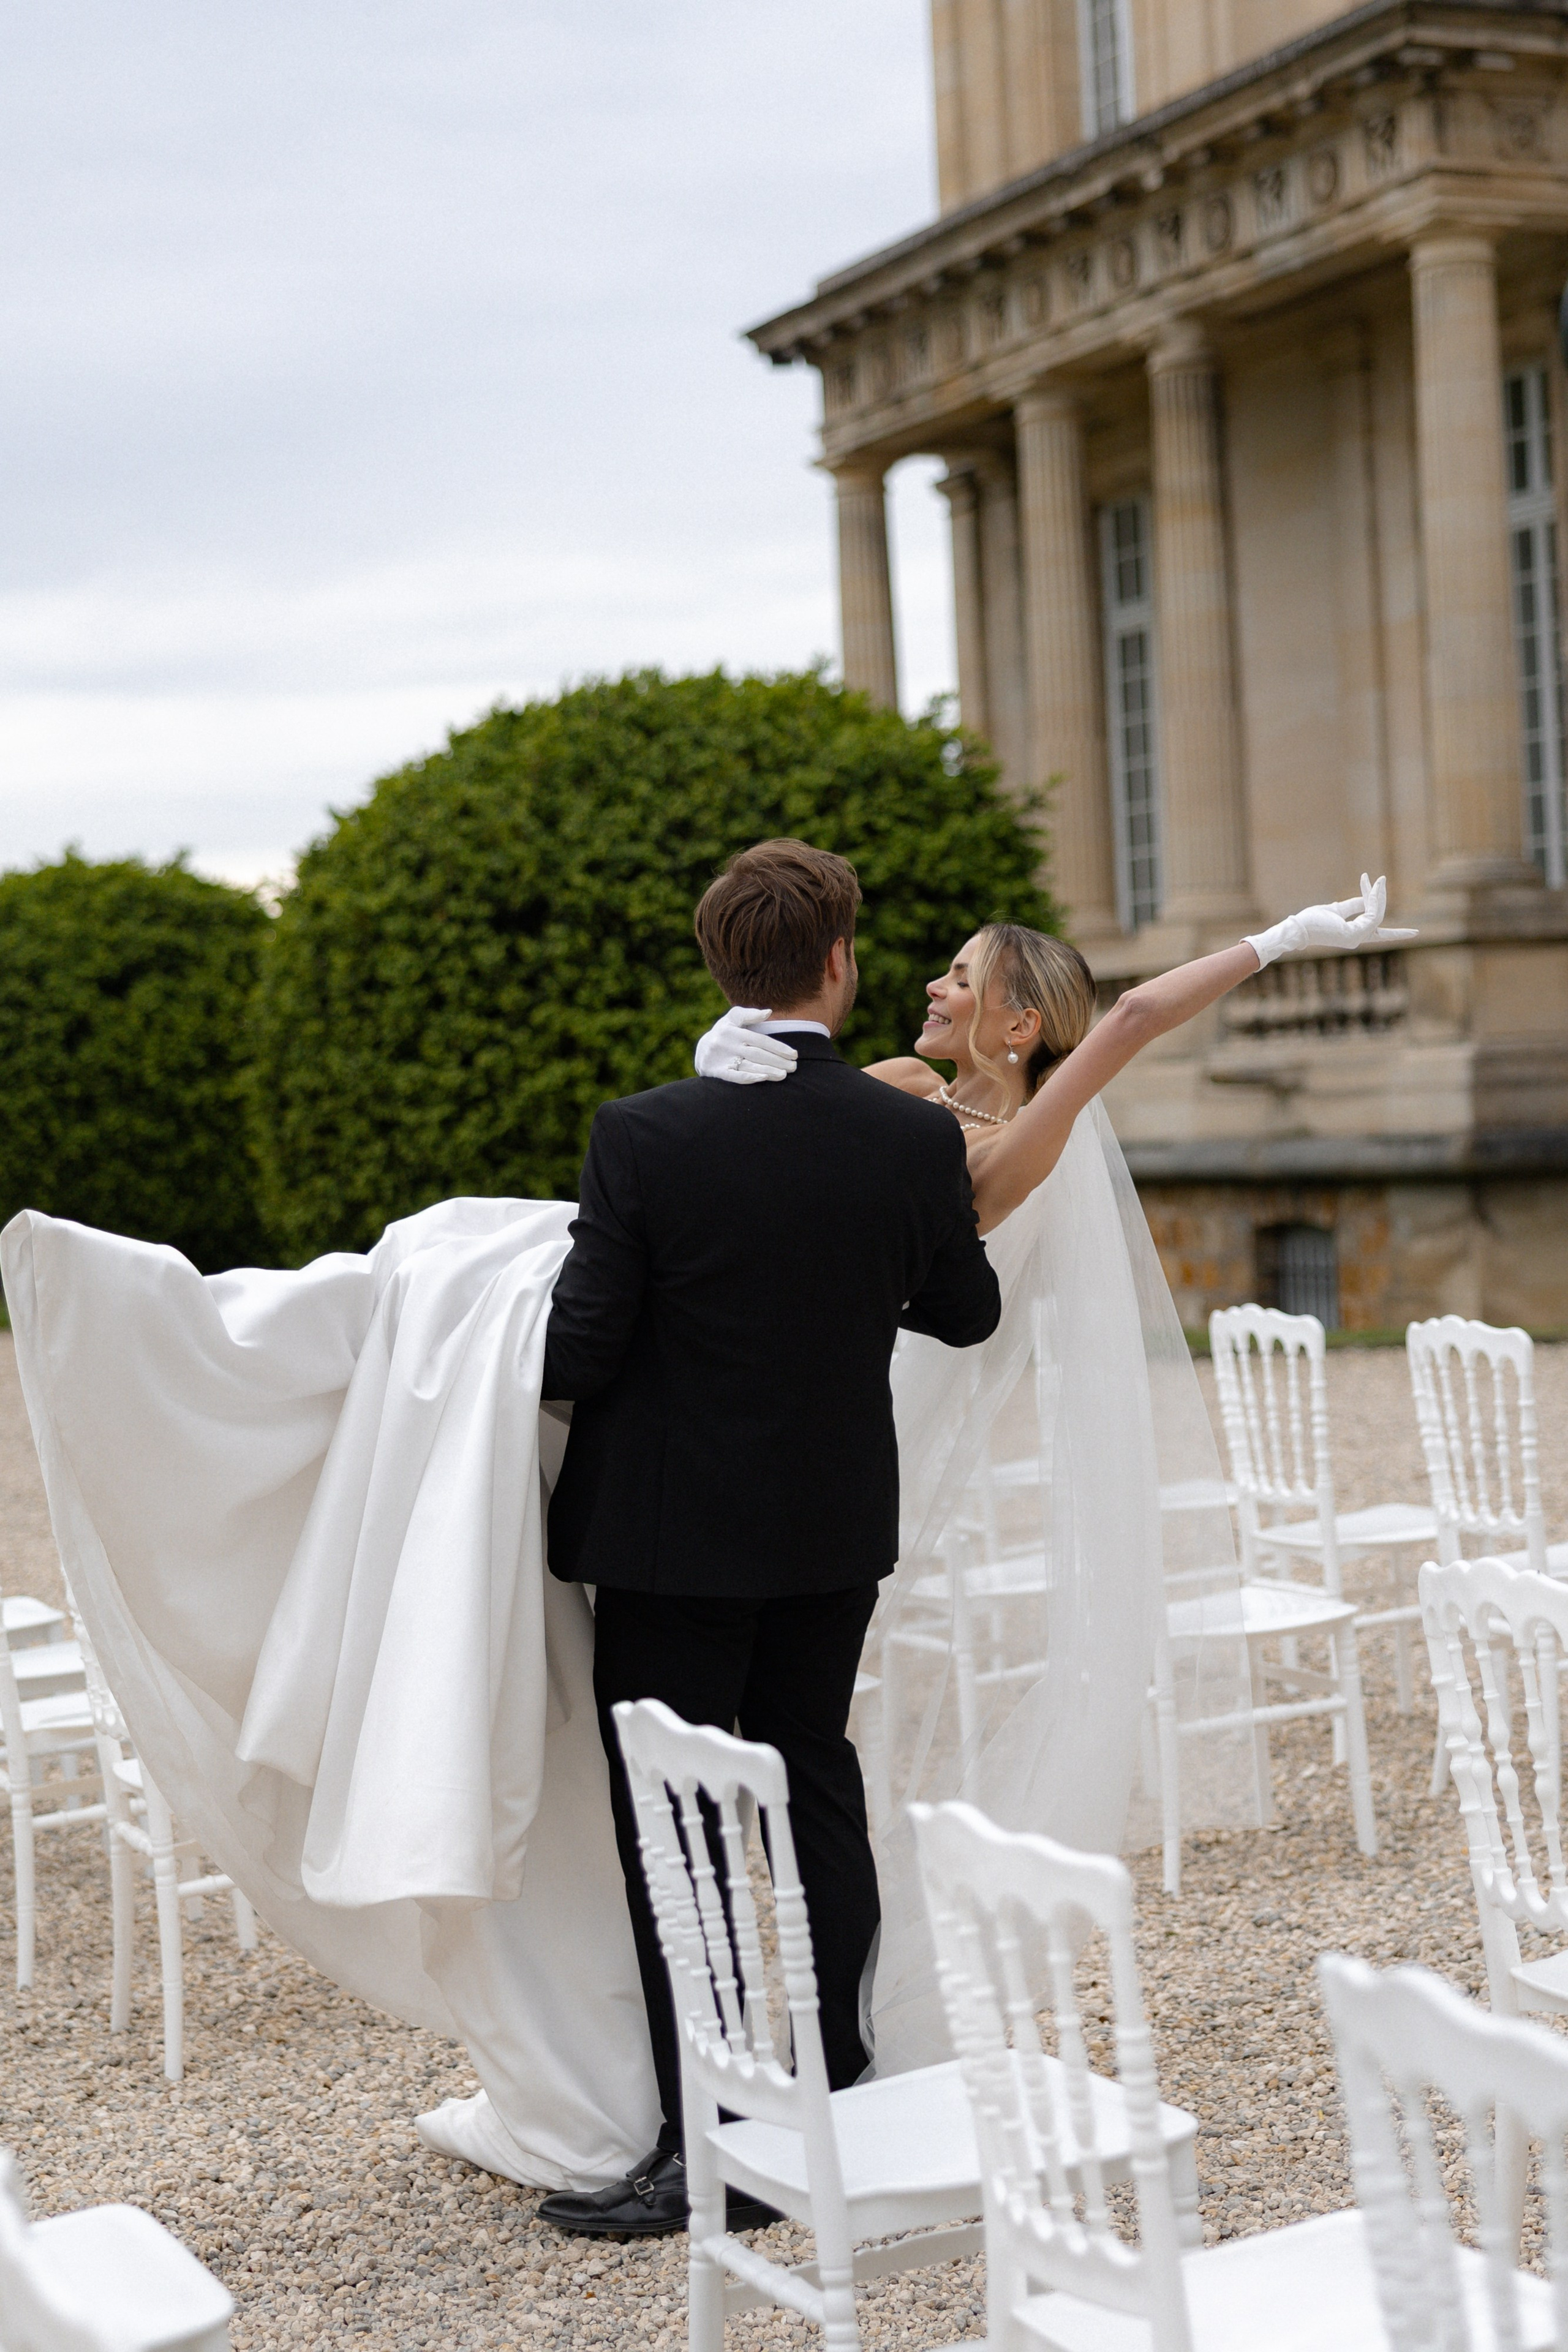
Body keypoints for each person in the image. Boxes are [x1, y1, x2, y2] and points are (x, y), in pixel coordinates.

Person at [532, 839, 1002, 2237]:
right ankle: (841, 2090)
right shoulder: (908, 1133)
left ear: (717, 966)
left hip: (667, 1537)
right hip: (827, 1522)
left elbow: (578, 1347)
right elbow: (963, 1312)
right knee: (812, 1788)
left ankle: (708, 2143)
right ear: (838, 965)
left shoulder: (642, 1133)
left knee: (675, 1825)